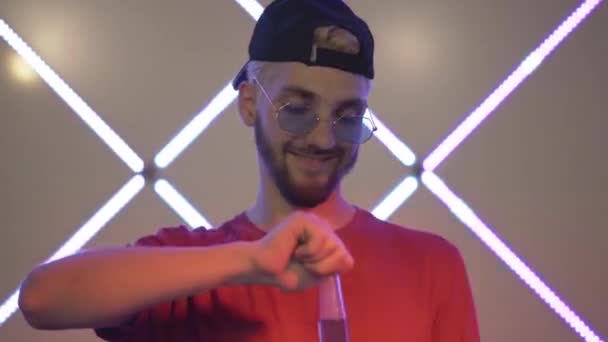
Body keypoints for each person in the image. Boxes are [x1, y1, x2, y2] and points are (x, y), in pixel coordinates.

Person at [17, 0, 480, 341]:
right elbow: (41, 298)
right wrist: (250, 261)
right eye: (297, 110)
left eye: (348, 118)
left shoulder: (431, 264)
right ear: (249, 104)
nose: (322, 139)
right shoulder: (192, 268)